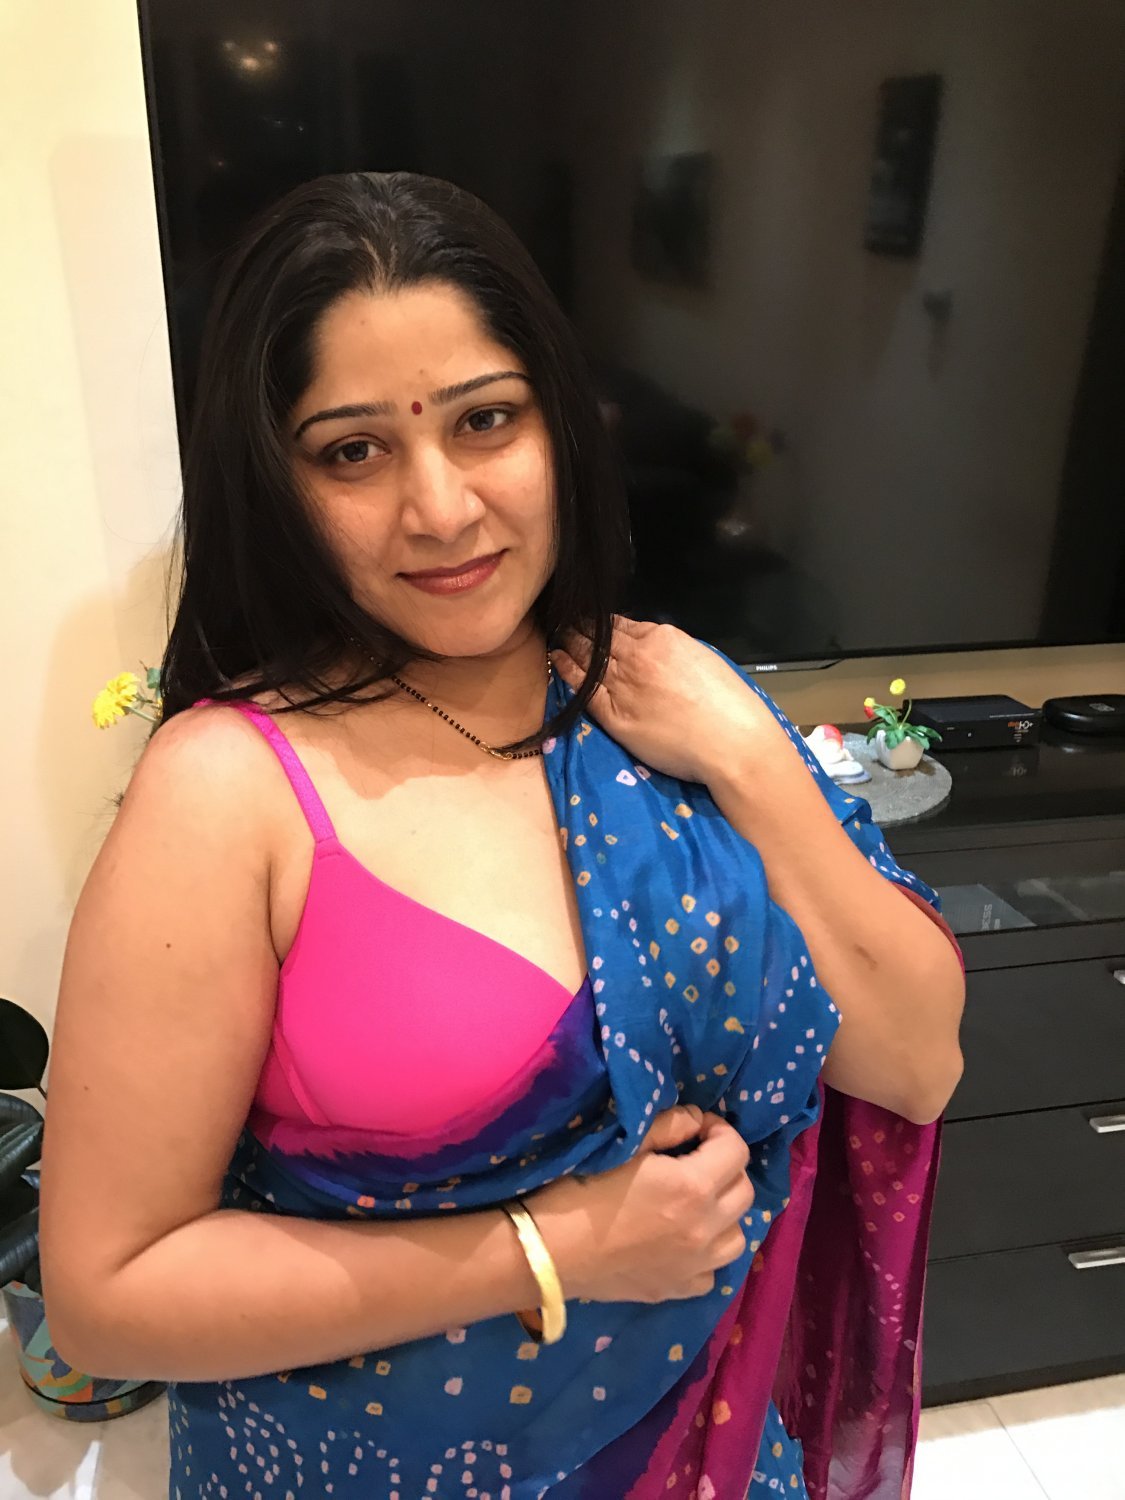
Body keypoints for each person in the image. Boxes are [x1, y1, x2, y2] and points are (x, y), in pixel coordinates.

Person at [40, 171, 965, 1500]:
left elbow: (918, 1065)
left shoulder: (671, 703)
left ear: (560, 426)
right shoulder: (231, 790)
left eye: (485, 421)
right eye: (353, 451)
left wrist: (755, 759)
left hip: (706, 1447)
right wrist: (556, 1247)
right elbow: (108, 1298)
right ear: (277, 484)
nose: (441, 508)